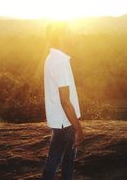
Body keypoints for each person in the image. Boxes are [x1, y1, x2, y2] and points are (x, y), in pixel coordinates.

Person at [43, 22, 84, 180]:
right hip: (65, 123)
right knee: (55, 162)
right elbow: (65, 101)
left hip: (61, 121)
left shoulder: (51, 58)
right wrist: (78, 128)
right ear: (60, 36)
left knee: (66, 161)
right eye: (68, 32)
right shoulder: (61, 61)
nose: (71, 36)